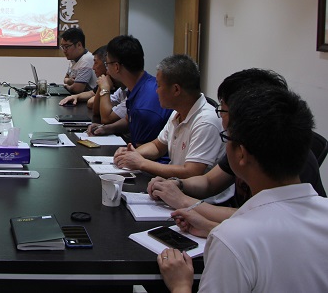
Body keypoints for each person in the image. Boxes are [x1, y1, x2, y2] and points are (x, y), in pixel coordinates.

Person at [158, 86, 328, 293]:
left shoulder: (232, 240)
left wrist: (181, 285)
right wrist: (210, 227)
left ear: (241, 153)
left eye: (226, 137)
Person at [147, 68, 325, 231]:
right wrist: (178, 184)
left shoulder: (290, 159)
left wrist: (184, 201)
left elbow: (265, 217)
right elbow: (209, 182)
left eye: (223, 110)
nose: (220, 118)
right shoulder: (241, 144)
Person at [112, 55, 225, 179]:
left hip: (191, 189)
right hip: (174, 184)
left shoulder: (206, 121)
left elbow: (191, 172)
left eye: (159, 86)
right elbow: (157, 146)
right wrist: (132, 154)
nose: (156, 91)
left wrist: (141, 163)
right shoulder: (177, 113)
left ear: (176, 89)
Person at [98, 35, 171, 146]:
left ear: (116, 67)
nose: (106, 69)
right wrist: (107, 128)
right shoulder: (143, 84)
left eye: (107, 64)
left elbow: (143, 151)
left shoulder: (144, 107)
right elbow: (129, 120)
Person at [59, 27, 96, 94]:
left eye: (66, 47)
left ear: (79, 45)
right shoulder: (73, 59)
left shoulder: (86, 60)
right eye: (62, 47)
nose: (64, 50)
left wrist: (66, 86)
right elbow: (65, 79)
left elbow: (77, 89)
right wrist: (68, 81)